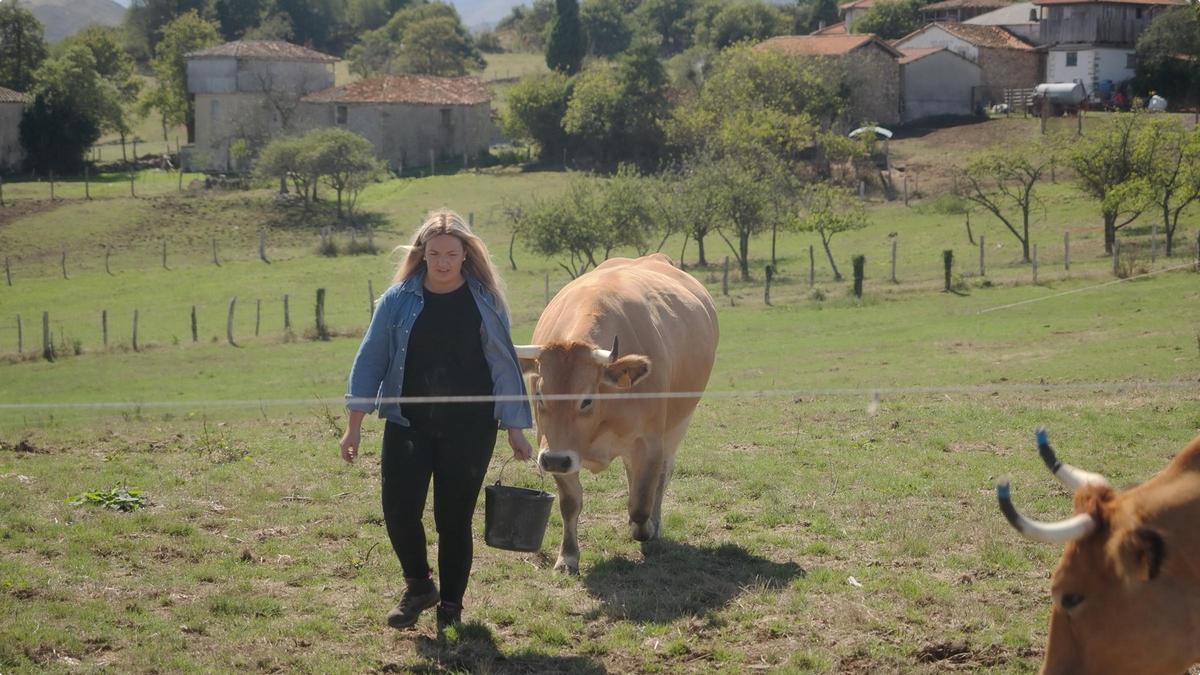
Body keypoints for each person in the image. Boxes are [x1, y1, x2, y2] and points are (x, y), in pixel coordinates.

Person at [340, 209, 534, 634]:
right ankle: (419, 586)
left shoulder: (485, 301)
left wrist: (515, 428)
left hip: (471, 428)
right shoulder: (397, 300)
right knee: (398, 510)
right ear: (422, 254)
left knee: (453, 519)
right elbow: (370, 360)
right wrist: (353, 426)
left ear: (466, 254)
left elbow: (503, 366)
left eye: (451, 254)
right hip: (408, 423)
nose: (443, 262)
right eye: (435, 254)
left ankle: (451, 606)